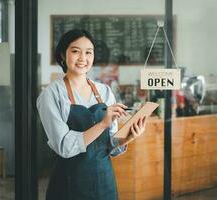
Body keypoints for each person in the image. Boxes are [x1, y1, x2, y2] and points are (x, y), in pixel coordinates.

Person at [37, 29, 147, 200]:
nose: (83, 58)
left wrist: (127, 138)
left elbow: (109, 146)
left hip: (104, 182)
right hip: (69, 184)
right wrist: (102, 124)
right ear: (62, 55)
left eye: (89, 52)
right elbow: (64, 147)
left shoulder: (104, 91)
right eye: (75, 51)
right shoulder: (51, 94)